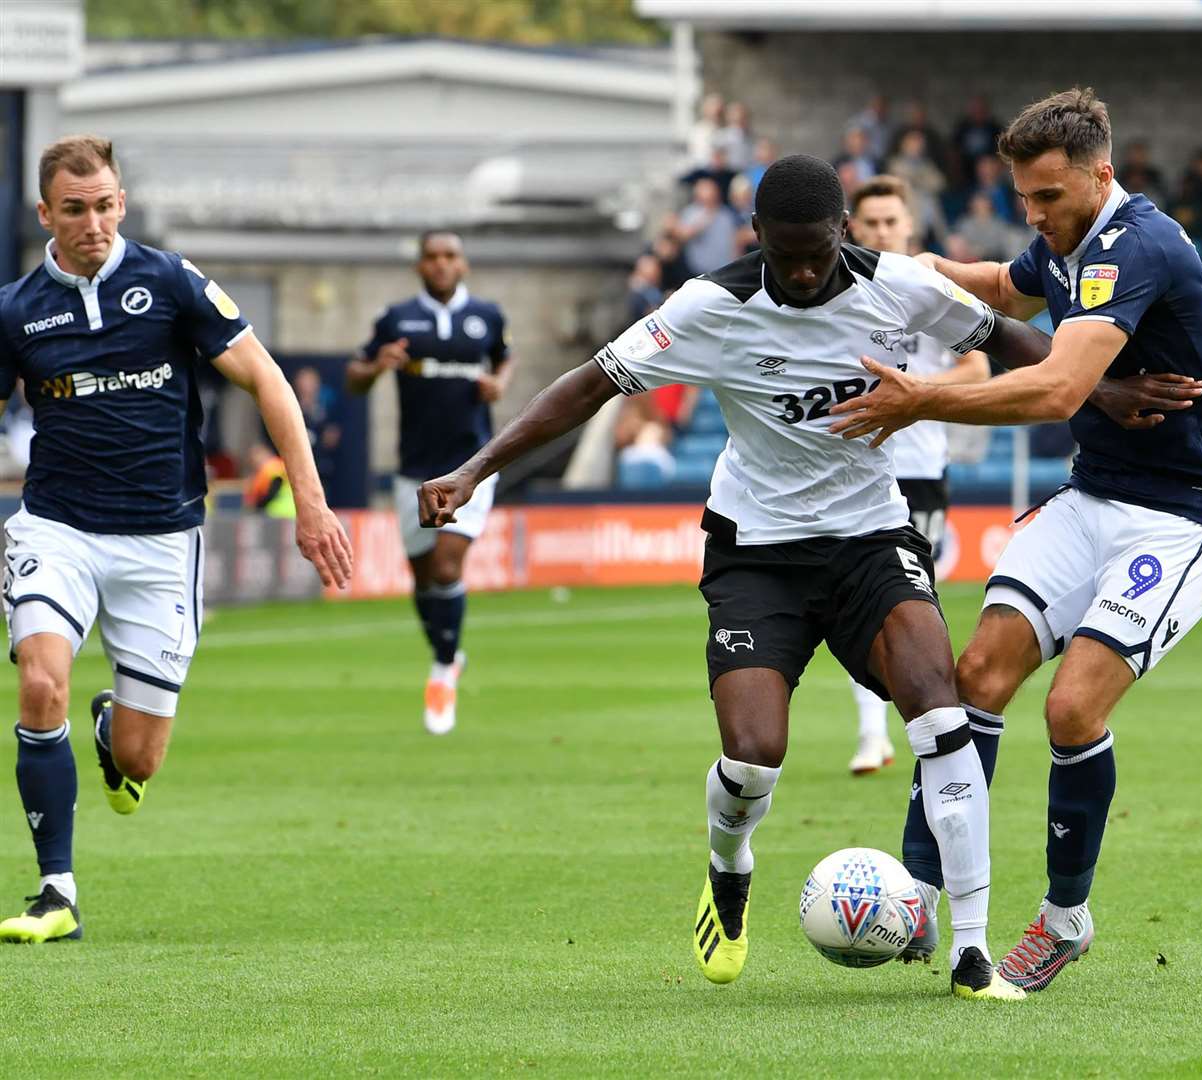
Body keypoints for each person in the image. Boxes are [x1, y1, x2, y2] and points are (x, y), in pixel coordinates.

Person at [417, 154, 1062, 1001]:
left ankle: (972, 953)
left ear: (841, 234)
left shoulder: (903, 287)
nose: (800, 271)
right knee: (755, 758)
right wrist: (474, 470)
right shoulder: (709, 306)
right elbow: (586, 388)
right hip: (756, 552)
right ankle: (730, 867)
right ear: (756, 235)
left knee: (942, 714)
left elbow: (1025, 349)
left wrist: (1114, 394)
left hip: (870, 538)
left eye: (816, 252)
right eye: (784, 252)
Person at [829, 87, 1202, 993]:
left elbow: (1058, 389)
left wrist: (922, 397)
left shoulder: (1139, 246)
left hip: (1183, 514)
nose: (1035, 215)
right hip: (1093, 492)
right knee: (974, 678)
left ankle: (1065, 920)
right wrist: (893, 265)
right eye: (1024, 196)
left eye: (1049, 197)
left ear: (1102, 174)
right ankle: (921, 890)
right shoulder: (1065, 239)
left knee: (1070, 709)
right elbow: (1003, 283)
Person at [0, 135, 352, 943]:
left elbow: (264, 377)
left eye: (106, 205)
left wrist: (311, 503)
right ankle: (57, 893)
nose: (93, 223)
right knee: (39, 685)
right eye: (76, 209)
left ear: (121, 202)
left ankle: (110, 732)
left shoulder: (168, 281)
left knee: (140, 760)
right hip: (58, 528)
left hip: (162, 539)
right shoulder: (15, 310)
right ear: (46, 213)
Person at [842, 175, 991, 776]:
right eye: (870, 222)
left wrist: (917, 392)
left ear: (909, 227)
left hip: (920, 469)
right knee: (854, 598)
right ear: (853, 226)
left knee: (911, 600)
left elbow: (979, 369)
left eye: (890, 222)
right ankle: (871, 732)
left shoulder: (929, 292)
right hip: (853, 468)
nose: (881, 232)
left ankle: (924, 723)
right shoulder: (840, 292)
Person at [346, 230, 511, 735]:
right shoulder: (397, 320)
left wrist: (498, 384)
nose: (441, 264)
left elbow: (504, 356)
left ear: (463, 264)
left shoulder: (487, 316)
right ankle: (447, 652)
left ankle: (442, 671)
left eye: (450, 256)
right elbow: (354, 377)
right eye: (432, 257)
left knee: (445, 565)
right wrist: (377, 366)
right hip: (414, 470)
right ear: (420, 266)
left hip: (471, 467)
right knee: (421, 577)